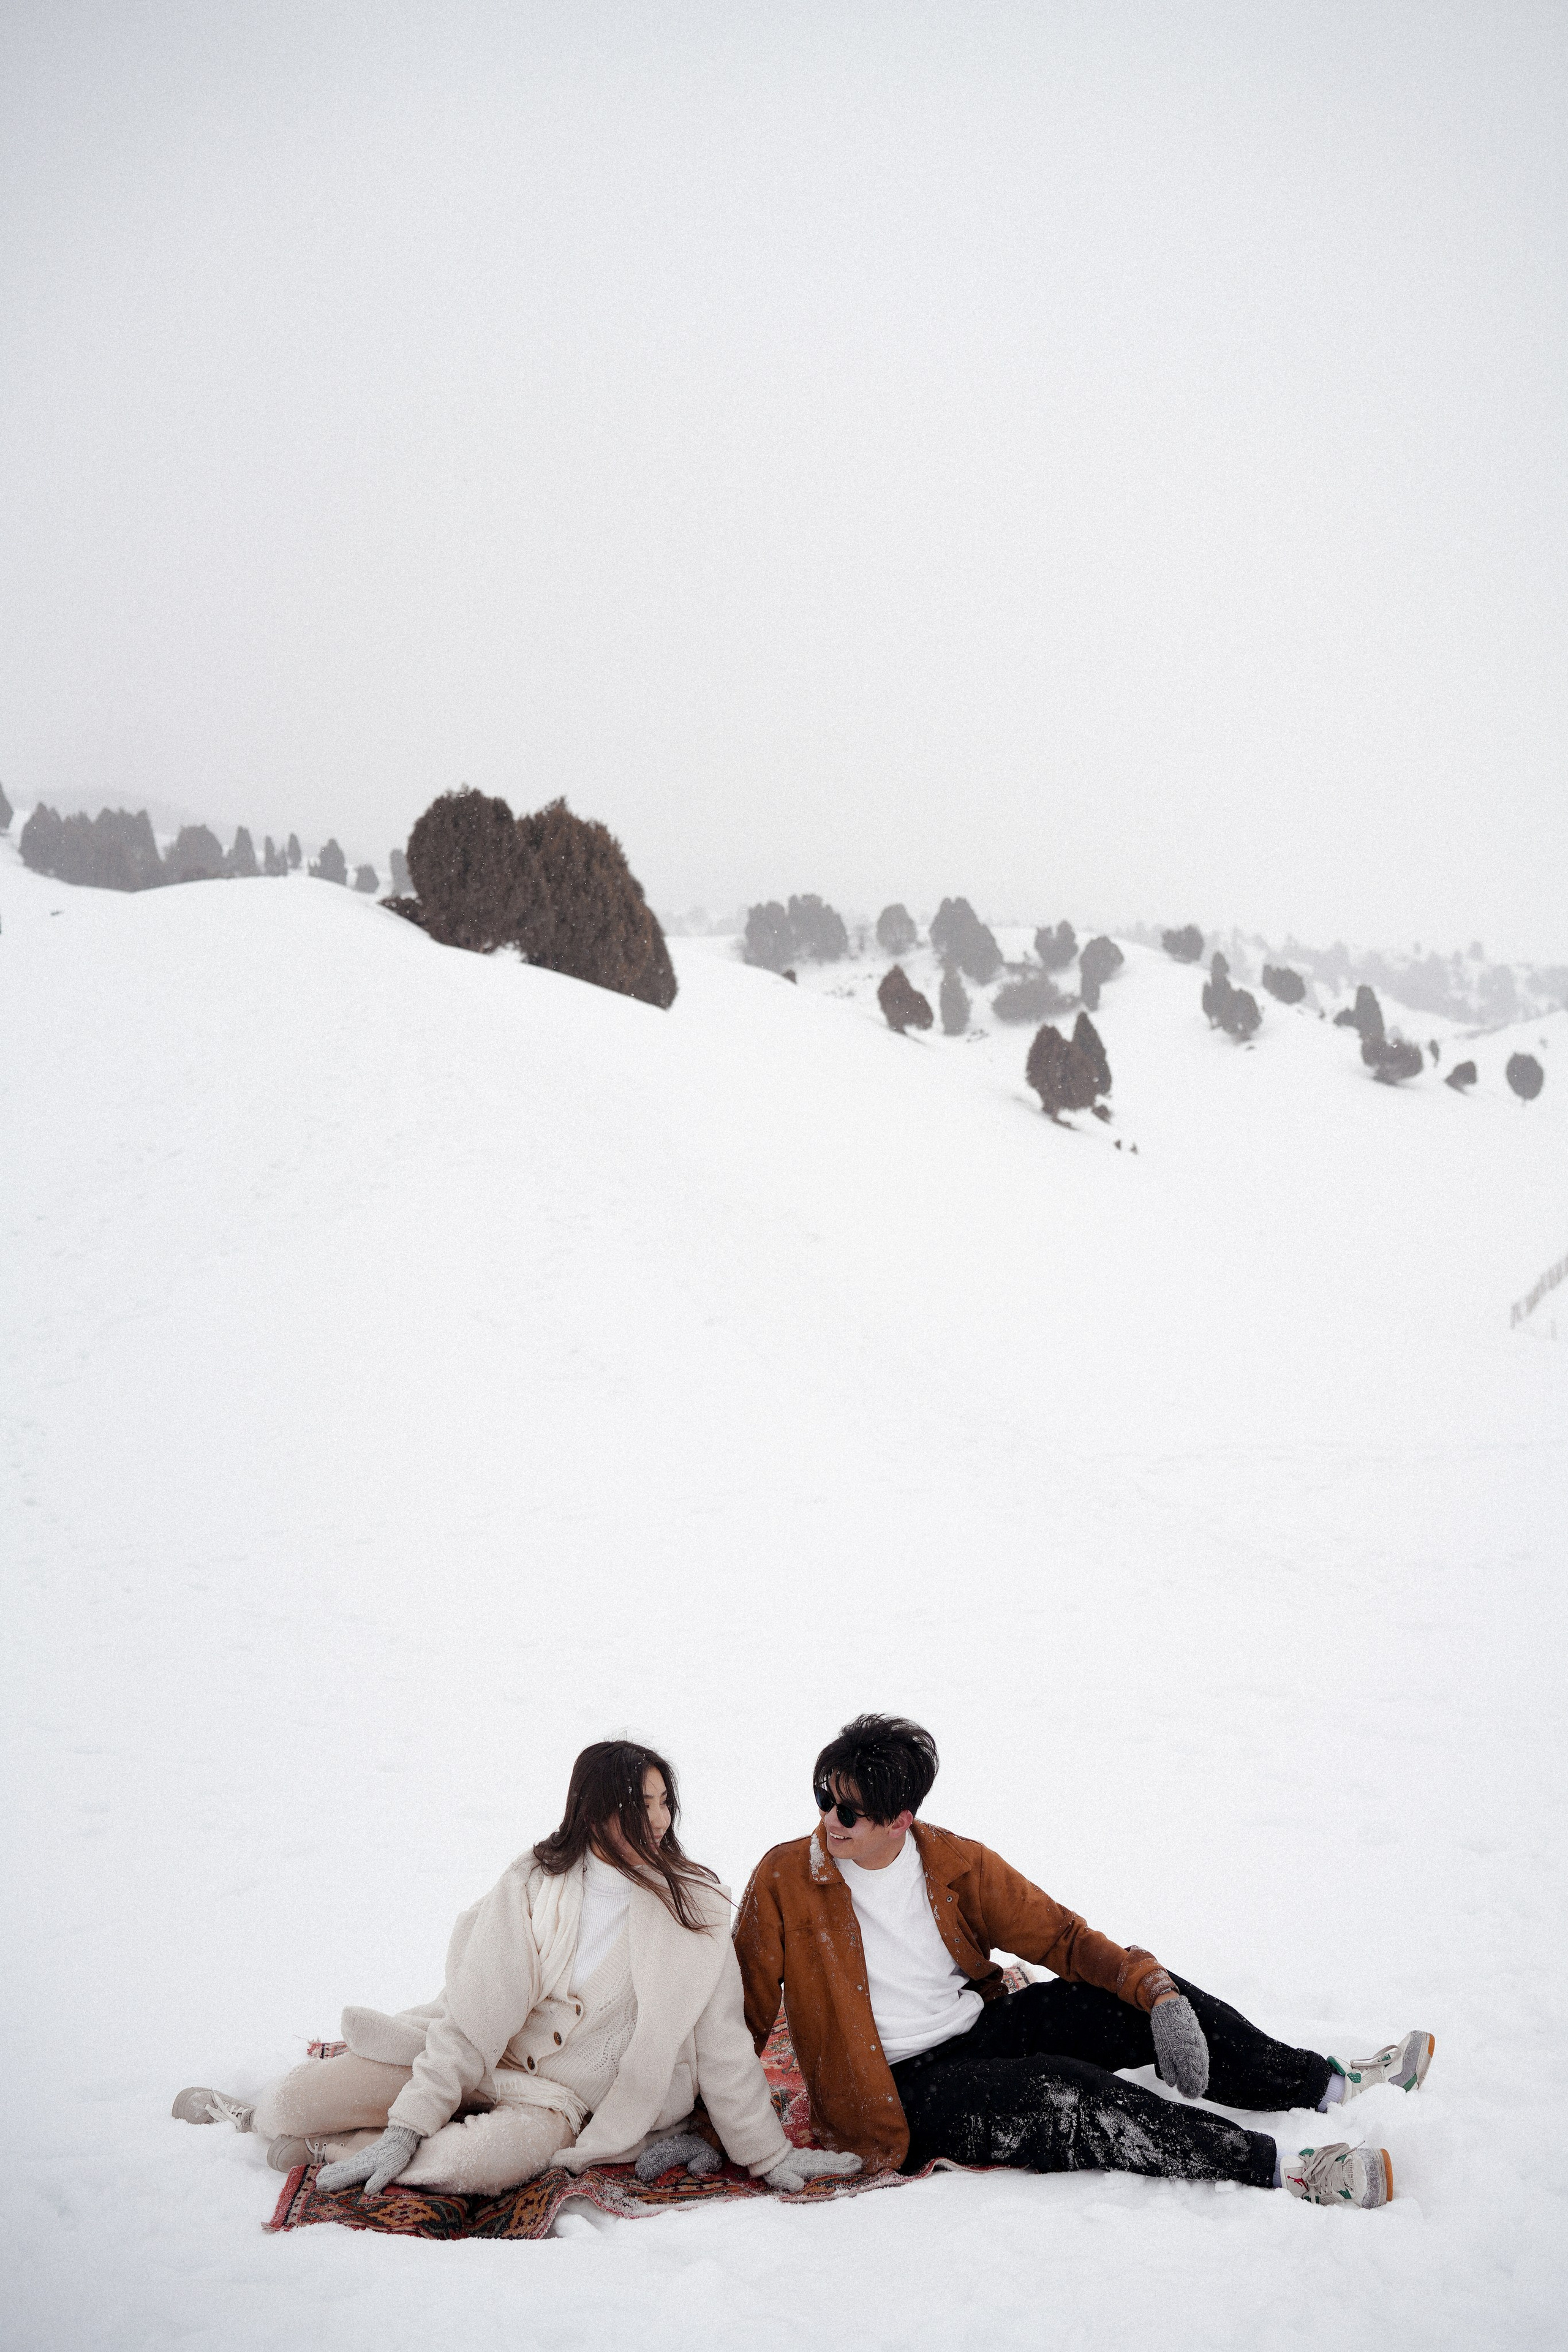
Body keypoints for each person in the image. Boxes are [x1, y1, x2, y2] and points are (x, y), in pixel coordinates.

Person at [735, 1714, 1434, 2212]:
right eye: (823, 1799)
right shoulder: (784, 1879)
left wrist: (1155, 1994)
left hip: (977, 2028)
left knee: (1123, 2004)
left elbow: (1061, 1939)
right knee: (1061, 2091)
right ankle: (1291, 2170)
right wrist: (717, 2125)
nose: (830, 1821)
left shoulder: (950, 1862)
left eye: (850, 1812)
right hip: (893, 2094)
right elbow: (739, 2010)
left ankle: (1329, 2087)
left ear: (901, 1819)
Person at [174, 1740, 861, 2201]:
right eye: (638, 1804)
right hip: (478, 2057)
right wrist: (412, 2119)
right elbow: (472, 2016)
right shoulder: (533, 1883)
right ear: (593, 1810)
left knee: (466, 2167)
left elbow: (721, 2045)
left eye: (662, 1802)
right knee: (294, 2104)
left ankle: (328, 2149)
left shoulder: (698, 1910)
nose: (657, 1819)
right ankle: (274, 2118)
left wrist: (767, 2156)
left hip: (557, 2101)